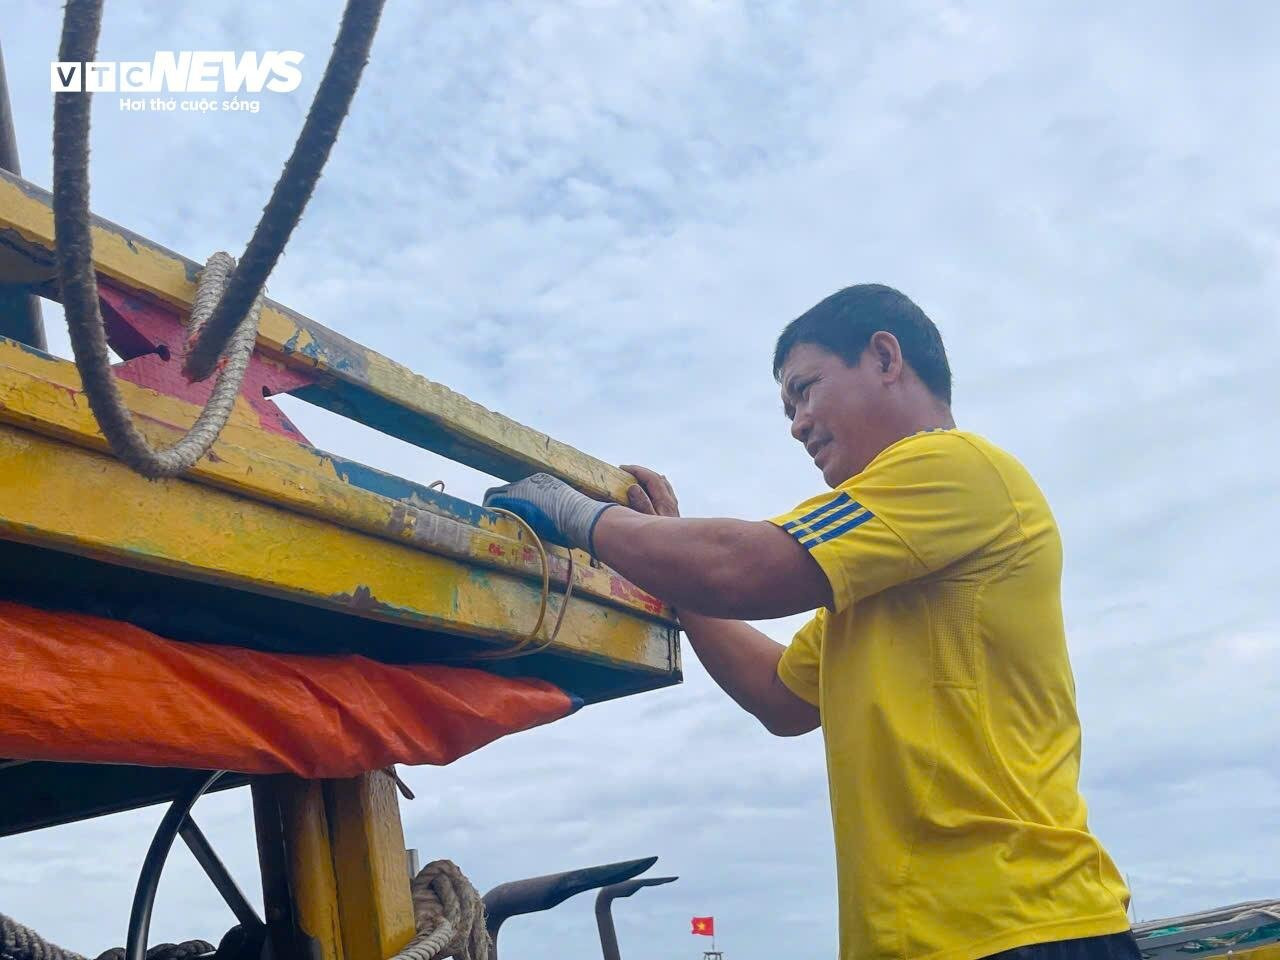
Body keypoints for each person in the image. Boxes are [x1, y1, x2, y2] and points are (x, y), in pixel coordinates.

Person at [484, 283, 1136, 960]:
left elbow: (744, 567)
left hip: (1016, 926)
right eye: (787, 408)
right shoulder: (881, 576)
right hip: (935, 939)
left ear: (886, 358)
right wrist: (665, 557)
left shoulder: (954, 467)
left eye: (806, 389)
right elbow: (781, 696)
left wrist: (576, 515)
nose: (797, 423)